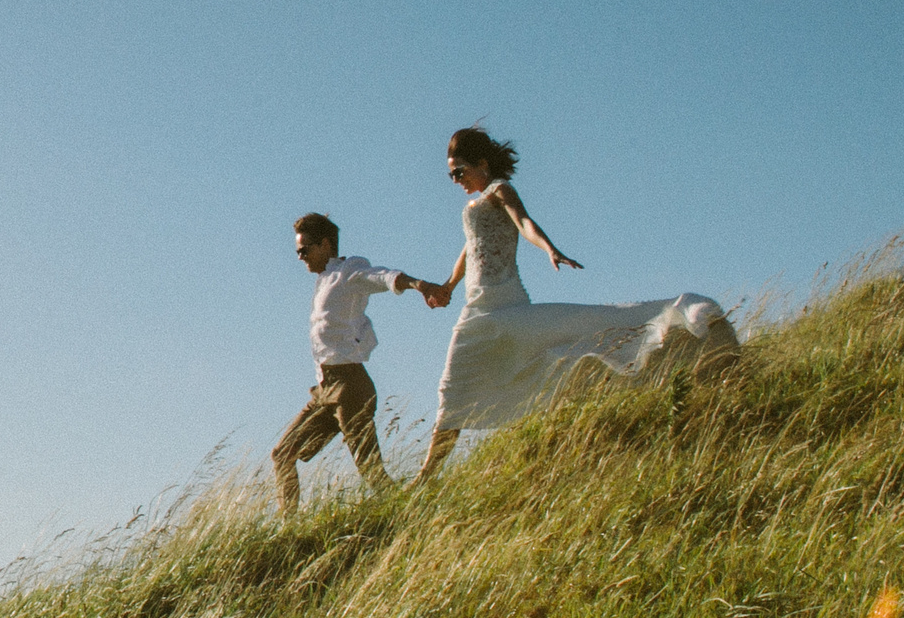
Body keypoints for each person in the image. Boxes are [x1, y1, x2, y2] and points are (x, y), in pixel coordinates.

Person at [416, 127, 739, 479]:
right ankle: (431, 476)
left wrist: (550, 249)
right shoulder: (473, 206)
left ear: (481, 163)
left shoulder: (499, 190)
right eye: (450, 173)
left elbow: (524, 223)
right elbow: (471, 247)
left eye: (459, 171)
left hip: (505, 304)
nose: (455, 180)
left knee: (457, 387)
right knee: (457, 388)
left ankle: (424, 478)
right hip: (478, 307)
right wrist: (448, 284)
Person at [273, 213, 440, 514]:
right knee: (282, 453)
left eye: (303, 250)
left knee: (371, 471)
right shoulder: (323, 281)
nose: (300, 257)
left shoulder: (349, 271)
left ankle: (415, 515)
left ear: (325, 245)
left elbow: (385, 276)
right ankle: (289, 525)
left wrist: (421, 285)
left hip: (350, 386)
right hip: (325, 389)